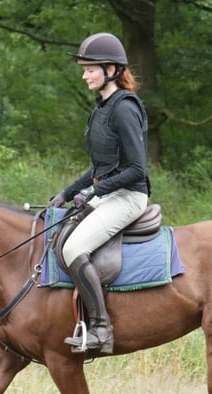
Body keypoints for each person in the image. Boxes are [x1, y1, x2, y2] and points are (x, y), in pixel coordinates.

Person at [49, 32, 150, 355]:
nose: (84, 75)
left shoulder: (123, 109)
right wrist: (67, 192)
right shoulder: (102, 108)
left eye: (90, 69)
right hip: (109, 193)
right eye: (84, 69)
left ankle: (102, 330)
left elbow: (136, 169)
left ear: (111, 69)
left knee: (75, 246)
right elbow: (102, 166)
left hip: (129, 196)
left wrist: (93, 191)